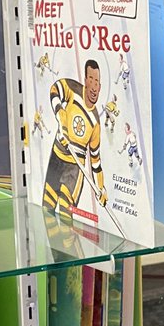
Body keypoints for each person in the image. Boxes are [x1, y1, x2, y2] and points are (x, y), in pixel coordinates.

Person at [42, 59, 108, 218]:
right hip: (56, 158)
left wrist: (101, 188)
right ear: (85, 81)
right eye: (91, 79)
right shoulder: (72, 89)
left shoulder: (95, 121)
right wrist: (60, 114)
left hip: (74, 169)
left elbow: (95, 161)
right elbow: (55, 89)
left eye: (97, 82)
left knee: (66, 214)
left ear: (100, 87)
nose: (93, 86)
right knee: (46, 209)